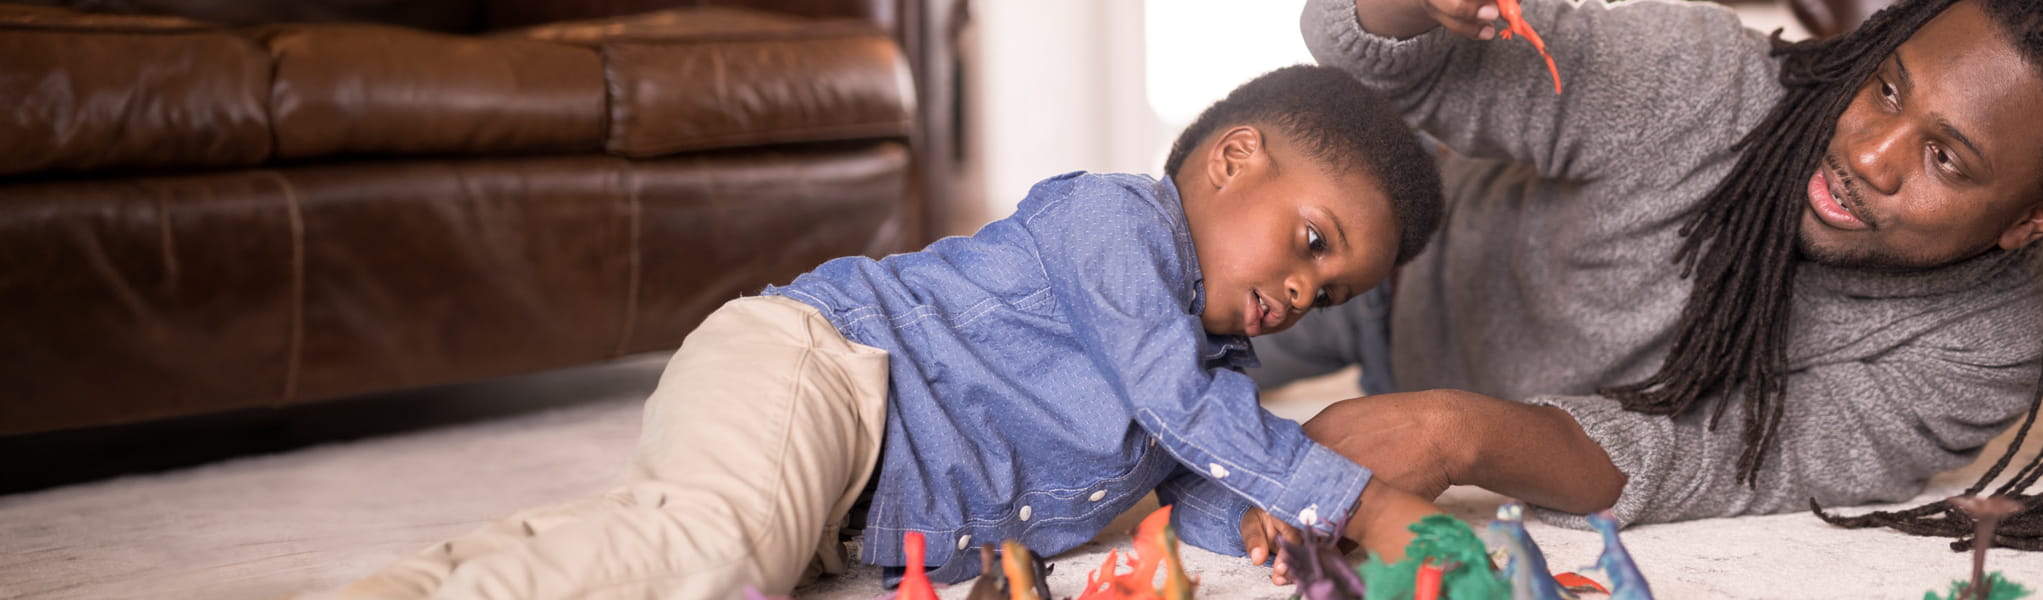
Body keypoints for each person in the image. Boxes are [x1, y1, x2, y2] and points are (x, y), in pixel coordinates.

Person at [335, 64, 1449, 600]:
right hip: (819, 368)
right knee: (722, 559)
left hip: (845, 495)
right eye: (1310, 242)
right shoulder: (1115, 223)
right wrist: (1365, 499)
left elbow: (1184, 472)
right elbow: (1180, 405)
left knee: (682, 540)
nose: (1305, 293)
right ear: (1232, 158)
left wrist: (1268, 521)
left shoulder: (1203, 371)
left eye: (1332, 293)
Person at [1250, 0, 2043, 549]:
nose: (1871, 155)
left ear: (2030, 222)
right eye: (1886, 87)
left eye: (1944, 157)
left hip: (1440, 402)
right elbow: (1387, 62)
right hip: (1382, 257)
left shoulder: (1993, 344)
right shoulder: (1702, 79)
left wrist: (1460, 433)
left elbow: (1713, 462)